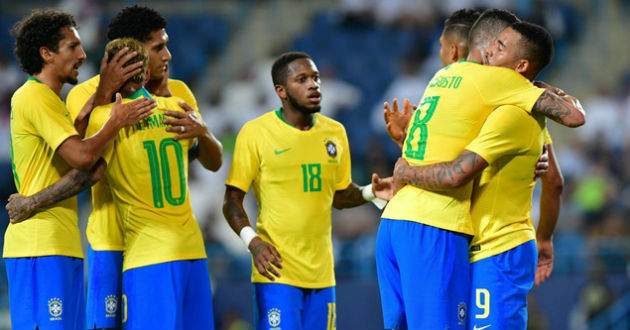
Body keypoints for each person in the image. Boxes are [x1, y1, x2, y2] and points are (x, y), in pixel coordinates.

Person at [375, 9, 584, 330]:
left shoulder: (448, 79)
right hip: (452, 230)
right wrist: (544, 239)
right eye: (494, 44)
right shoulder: (503, 97)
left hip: (460, 236)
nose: (491, 52)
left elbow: (569, 126)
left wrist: (405, 164)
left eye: (501, 47)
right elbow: (553, 178)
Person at [67, 6, 221, 329]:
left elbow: (196, 158)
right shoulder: (84, 95)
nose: (168, 55)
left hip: (163, 241)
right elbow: (78, 162)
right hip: (111, 240)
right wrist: (105, 94)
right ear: (133, 53)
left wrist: (201, 133)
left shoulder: (178, 94)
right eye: (158, 47)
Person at [4, 10, 154, 330]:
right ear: (46, 53)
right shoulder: (33, 97)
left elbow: (90, 168)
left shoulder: (53, 102)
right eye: (73, 46)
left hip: (61, 243)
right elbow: (84, 158)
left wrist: (100, 98)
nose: (83, 55)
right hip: (37, 244)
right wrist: (115, 121)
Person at [222, 51, 393, 330]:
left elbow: (338, 194)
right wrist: (253, 242)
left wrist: (369, 193)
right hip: (276, 273)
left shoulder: (335, 132)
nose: (314, 85)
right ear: (281, 91)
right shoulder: (256, 133)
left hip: (322, 275)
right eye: (302, 79)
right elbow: (231, 202)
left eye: (315, 78)